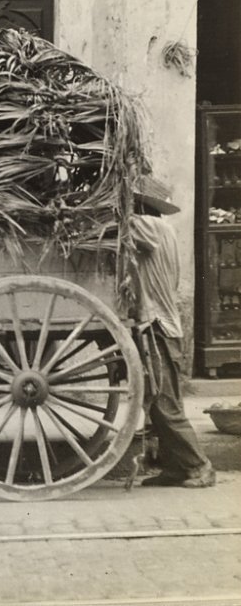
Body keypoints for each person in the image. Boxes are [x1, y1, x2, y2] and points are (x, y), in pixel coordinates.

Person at [130, 175, 216, 488]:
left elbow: (116, 221)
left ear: (139, 204)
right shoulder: (163, 230)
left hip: (158, 327)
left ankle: (200, 466)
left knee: (164, 403)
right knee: (162, 403)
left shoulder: (149, 227)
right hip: (164, 325)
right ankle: (176, 468)